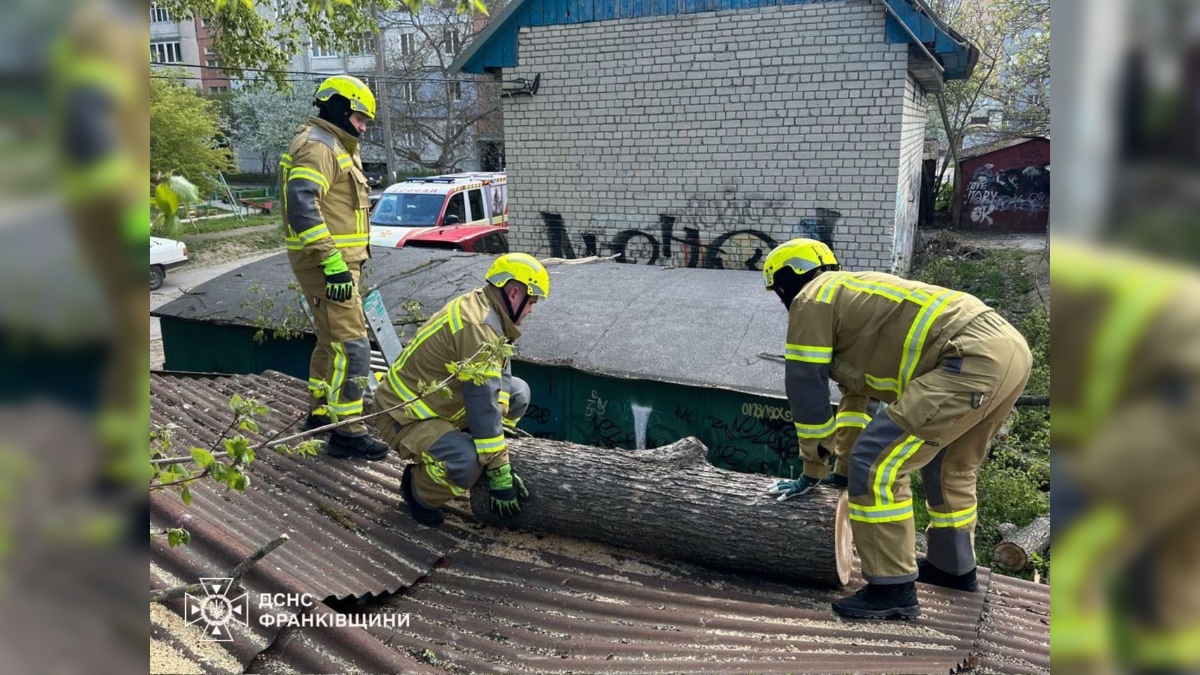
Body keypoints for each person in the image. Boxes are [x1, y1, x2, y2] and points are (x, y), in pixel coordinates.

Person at [762, 238, 1031, 619]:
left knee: (877, 463)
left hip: (967, 357)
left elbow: (806, 386)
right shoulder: (851, 298)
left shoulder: (812, 300)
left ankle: (892, 590)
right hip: (1008, 351)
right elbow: (856, 402)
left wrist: (812, 469)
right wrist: (842, 474)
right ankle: (953, 568)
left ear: (785, 282)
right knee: (950, 466)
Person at [373, 253, 548, 526]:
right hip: (405, 415)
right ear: (515, 293)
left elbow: (500, 370)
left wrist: (499, 419)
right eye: (532, 302)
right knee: (466, 461)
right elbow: (482, 402)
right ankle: (418, 490)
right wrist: (498, 467)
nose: (531, 310)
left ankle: (483, 444)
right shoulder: (479, 326)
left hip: (441, 404)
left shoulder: (490, 309)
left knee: (518, 393)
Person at [280, 74, 388, 460]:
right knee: (353, 347)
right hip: (329, 265)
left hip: (335, 264)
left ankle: (321, 413)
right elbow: (302, 206)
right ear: (340, 109)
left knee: (330, 342)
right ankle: (348, 432)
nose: (363, 127)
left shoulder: (334, 143)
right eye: (359, 118)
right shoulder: (319, 146)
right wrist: (332, 262)